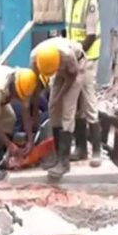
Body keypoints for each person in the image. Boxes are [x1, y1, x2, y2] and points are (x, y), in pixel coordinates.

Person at [33, 37, 102, 180]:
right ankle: (58, 156)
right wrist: (36, 108)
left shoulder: (67, 56)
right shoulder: (34, 57)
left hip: (77, 67)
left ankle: (64, 162)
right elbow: (36, 83)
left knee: (67, 109)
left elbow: (72, 76)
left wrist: (60, 96)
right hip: (60, 69)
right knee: (53, 108)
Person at [63, 0, 102, 166]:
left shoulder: (90, 1)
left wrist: (77, 55)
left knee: (89, 102)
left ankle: (96, 150)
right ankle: (80, 148)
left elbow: (91, 36)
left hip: (87, 59)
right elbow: (68, 30)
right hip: (73, 58)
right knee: (75, 103)